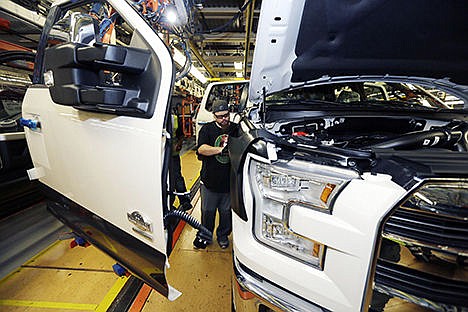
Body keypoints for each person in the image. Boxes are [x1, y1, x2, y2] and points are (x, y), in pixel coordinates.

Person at [193, 99, 238, 249]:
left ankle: (223, 235)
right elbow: (201, 149)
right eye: (220, 116)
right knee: (207, 212)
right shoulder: (207, 130)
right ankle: (205, 236)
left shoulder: (236, 129)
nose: (224, 119)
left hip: (228, 182)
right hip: (209, 181)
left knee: (226, 213)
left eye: (226, 115)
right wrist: (220, 150)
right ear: (214, 116)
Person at [169, 107, 192, 211]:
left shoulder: (174, 119)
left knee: (177, 177)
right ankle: (169, 203)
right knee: (166, 180)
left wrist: (178, 144)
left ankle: (184, 201)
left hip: (173, 155)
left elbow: (181, 135)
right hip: (161, 156)